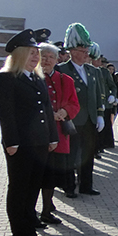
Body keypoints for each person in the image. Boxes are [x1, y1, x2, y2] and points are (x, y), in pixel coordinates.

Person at [0, 29, 58, 236]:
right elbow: (6, 113)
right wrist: (10, 141)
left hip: (40, 142)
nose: (36, 58)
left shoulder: (37, 78)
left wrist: (52, 136)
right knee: (19, 188)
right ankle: (20, 234)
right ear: (19, 55)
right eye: (31, 53)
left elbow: (47, 110)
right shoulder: (6, 78)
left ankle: (30, 227)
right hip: (20, 145)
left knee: (33, 186)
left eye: (36, 53)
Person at [58, 23, 105, 197]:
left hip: (90, 119)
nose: (87, 54)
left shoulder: (93, 71)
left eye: (87, 50)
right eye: (83, 50)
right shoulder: (62, 70)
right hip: (72, 119)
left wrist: (100, 115)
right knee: (70, 155)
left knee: (88, 155)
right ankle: (69, 187)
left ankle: (86, 185)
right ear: (73, 51)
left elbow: (98, 94)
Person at [39, 42, 80, 225]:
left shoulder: (66, 80)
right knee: (37, 174)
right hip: (37, 135)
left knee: (52, 175)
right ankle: (38, 209)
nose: (47, 60)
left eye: (51, 57)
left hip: (59, 135)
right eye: (43, 56)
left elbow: (74, 103)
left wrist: (64, 112)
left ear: (57, 60)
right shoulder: (32, 78)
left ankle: (47, 208)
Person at [90, 43, 117, 153]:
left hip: (104, 103)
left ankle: (101, 146)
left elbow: (113, 86)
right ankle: (95, 148)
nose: (100, 62)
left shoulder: (105, 72)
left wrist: (112, 95)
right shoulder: (89, 70)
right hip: (93, 103)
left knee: (104, 126)